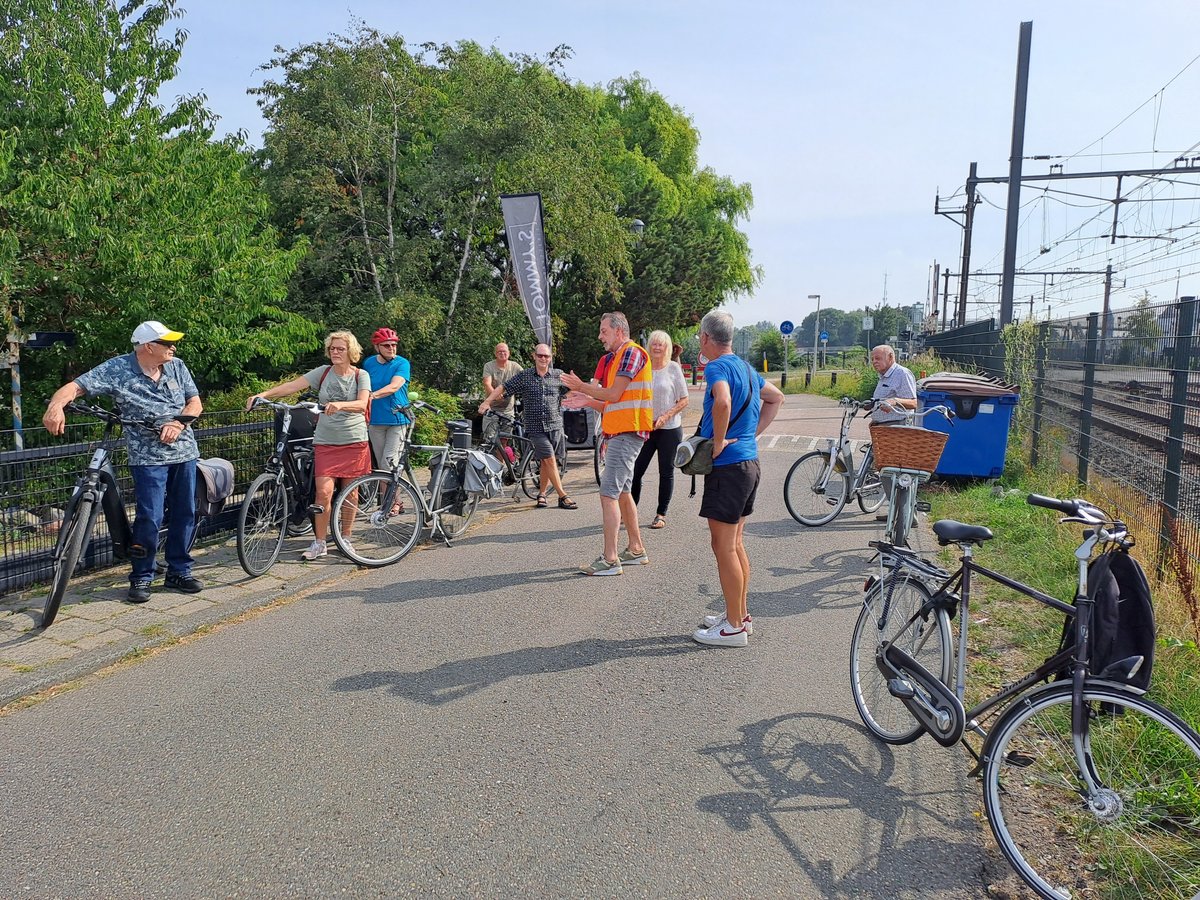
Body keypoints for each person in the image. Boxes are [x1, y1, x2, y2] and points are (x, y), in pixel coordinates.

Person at [42, 321, 204, 603]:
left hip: (184, 452)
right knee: (149, 517)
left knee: (184, 513)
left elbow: (195, 403)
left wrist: (178, 423)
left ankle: (179, 572)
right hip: (146, 458)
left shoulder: (177, 366)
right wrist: (55, 406)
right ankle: (142, 576)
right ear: (148, 347)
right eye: (166, 343)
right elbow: (75, 387)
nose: (173, 347)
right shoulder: (117, 369)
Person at [690, 311, 784, 647]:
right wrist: (751, 435)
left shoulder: (716, 367)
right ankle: (739, 614)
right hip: (749, 463)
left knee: (723, 546)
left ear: (705, 338)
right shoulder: (747, 367)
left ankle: (732, 627)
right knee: (735, 543)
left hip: (728, 467)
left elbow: (724, 401)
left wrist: (717, 443)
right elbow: (776, 398)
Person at [247, 331, 371, 560]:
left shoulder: (360, 375)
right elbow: (293, 386)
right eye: (332, 348)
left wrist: (341, 405)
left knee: (350, 493)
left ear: (350, 351)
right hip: (326, 440)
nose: (335, 352)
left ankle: (346, 538)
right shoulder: (322, 373)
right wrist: (264, 394)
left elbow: (362, 404)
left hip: (354, 440)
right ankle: (320, 542)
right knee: (323, 493)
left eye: (340, 349)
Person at [562, 312, 652, 575]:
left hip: (626, 433)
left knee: (608, 494)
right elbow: (613, 403)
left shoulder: (630, 353)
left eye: (603, 331)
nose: (600, 336)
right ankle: (636, 549)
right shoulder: (618, 358)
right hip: (622, 432)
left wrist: (582, 387)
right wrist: (587, 401)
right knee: (622, 492)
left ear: (619, 331)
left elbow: (613, 394)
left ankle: (610, 559)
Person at [478, 343, 578, 510]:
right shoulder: (525, 376)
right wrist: (487, 401)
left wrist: (564, 398)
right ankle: (562, 495)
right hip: (535, 427)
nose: (543, 359)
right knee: (549, 458)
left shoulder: (558, 375)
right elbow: (503, 387)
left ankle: (542, 494)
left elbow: (575, 387)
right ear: (534, 356)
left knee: (547, 461)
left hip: (554, 425)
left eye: (546, 356)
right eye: (540, 356)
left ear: (550, 358)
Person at [630, 330, 689, 529]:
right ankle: (630, 511)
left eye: (660, 345)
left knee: (666, 472)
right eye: (654, 344)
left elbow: (684, 399)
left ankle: (660, 514)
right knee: (636, 470)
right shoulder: (643, 368)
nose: (656, 347)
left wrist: (666, 416)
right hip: (646, 428)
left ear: (667, 348)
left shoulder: (673, 368)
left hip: (669, 428)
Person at [868, 343, 919, 528]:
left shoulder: (901, 374)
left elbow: (913, 403)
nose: (874, 362)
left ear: (891, 357)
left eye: (878, 358)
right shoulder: (883, 376)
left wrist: (895, 401)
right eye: (873, 358)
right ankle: (897, 512)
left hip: (897, 429)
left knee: (893, 473)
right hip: (883, 428)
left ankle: (907, 516)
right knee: (886, 473)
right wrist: (876, 417)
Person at [362, 327, 411, 470]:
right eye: (386, 345)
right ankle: (386, 493)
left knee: (388, 465)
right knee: (380, 466)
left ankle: (391, 492)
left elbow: (394, 386)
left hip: (397, 419)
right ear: (377, 347)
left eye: (394, 345)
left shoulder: (402, 363)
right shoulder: (369, 363)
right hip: (375, 420)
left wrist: (371, 396)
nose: (391, 348)